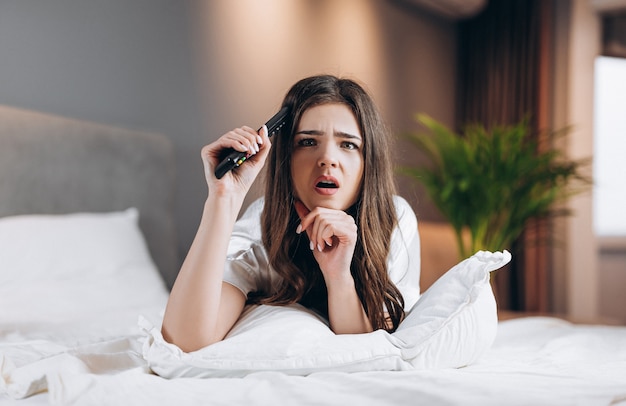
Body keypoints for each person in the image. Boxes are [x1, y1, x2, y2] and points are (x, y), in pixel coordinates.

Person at [161, 74, 421, 352]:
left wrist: (338, 276)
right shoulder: (261, 228)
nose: (328, 159)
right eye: (308, 142)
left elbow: (370, 351)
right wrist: (223, 198)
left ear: (368, 162)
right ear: (286, 157)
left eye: (348, 145)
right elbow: (185, 340)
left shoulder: (393, 217)